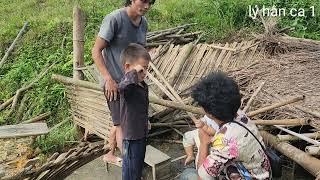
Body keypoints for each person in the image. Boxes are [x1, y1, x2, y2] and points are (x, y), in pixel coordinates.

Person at [91, 0, 153, 164]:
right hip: (115, 84)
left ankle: (110, 154)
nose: (147, 6)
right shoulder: (114, 19)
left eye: (151, 2)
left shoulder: (143, 23)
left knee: (122, 120)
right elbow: (96, 51)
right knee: (121, 126)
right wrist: (108, 79)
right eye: (144, 1)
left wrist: (141, 75)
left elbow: (140, 52)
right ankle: (129, 164)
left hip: (132, 83)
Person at [180, 72, 271, 180]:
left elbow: (202, 178)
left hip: (246, 175)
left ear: (209, 113)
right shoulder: (240, 115)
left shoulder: (224, 141)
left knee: (187, 174)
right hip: (262, 174)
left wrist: (204, 144)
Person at [118, 43, 151, 180]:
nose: (144, 73)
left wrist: (146, 121)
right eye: (141, 69)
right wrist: (133, 73)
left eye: (146, 69)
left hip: (141, 133)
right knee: (130, 171)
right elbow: (123, 87)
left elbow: (142, 107)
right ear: (127, 67)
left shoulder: (142, 86)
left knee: (137, 167)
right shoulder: (128, 86)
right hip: (131, 137)